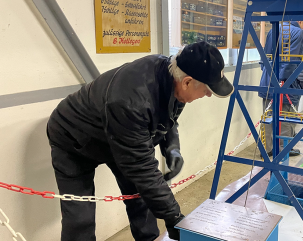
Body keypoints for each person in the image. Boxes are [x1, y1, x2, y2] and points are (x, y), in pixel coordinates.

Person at [46, 42, 234, 241]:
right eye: (206, 90)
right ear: (187, 82)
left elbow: (167, 115)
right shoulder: (130, 102)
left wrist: (172, 147)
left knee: (141, 197)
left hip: (117, 133)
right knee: (79, 216)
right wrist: (174, 217)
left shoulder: (173, 74)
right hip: (73, 136)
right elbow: (141, 167)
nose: (207, 95)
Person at [259, 21, 303, 157]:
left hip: (267, 81)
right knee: (286, 117)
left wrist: (269, 77)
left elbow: (266, 57)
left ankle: (266, 148)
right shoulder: (298, 33)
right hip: (286, 84)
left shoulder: (272, 29)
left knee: (268, 116)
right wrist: (282, 82)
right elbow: (292, 62)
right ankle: (283, 149)